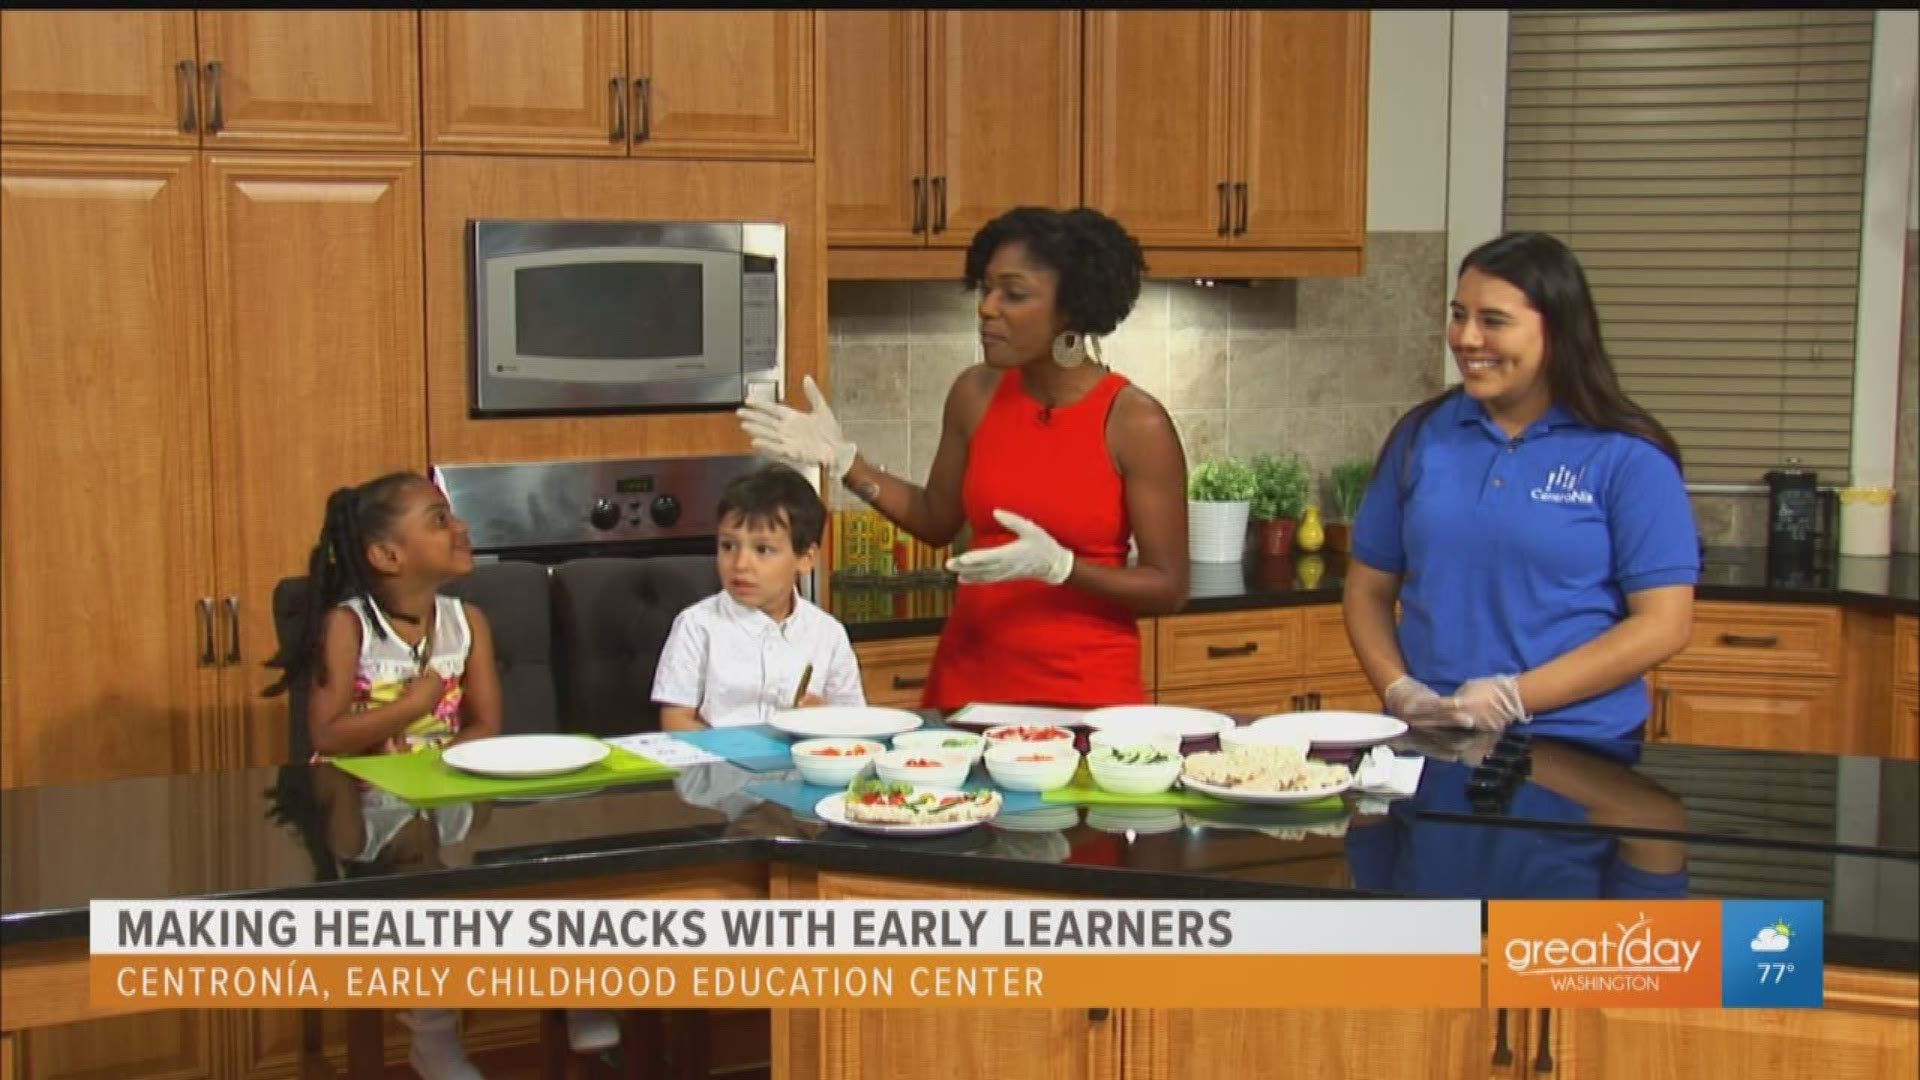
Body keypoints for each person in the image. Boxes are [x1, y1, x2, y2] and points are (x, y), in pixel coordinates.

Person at [738, 207, 1189, 711]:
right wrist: (845, 463)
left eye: (1013, 294)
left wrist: (1063, 568)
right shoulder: (975, 392)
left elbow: (1168, 587)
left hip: (1086, 702)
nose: (987, 308)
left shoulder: (1134, 422)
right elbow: (936, 518)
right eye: (986, 288)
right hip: (968, 691)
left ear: (1073, 310)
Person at [263, 472, 615, 1077]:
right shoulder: (347, 627)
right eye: (437, 519)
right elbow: (326, 735)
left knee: (540, 861)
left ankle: (572, 986)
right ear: (386, 555)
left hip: (445, 791)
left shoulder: (466, 621)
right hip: (364, 813)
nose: (460, 527)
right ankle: (432, 1034)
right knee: (426, 892)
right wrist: (410, 707)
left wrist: (441, 762)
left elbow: (485, 722)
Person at [1343, 231, 1700, 740]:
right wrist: (1400, 691)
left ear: (1557, 332)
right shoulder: (1422, 437)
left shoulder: (1627, 455)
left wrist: (1515, 697)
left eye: (1493, 321)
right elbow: (1367, 590)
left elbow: (1664, 624)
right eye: (1459, 314)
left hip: (1582, 743)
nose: (1466, 338)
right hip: (1435, 738)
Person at [652, 462, 865, 729]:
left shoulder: (828, 634)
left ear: (805, 559)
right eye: (728, 546)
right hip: (718, 766)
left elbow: (855, 724)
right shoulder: (696, 626)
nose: (740, 564)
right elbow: (676, 721)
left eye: (762, 550)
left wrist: (825, 718)